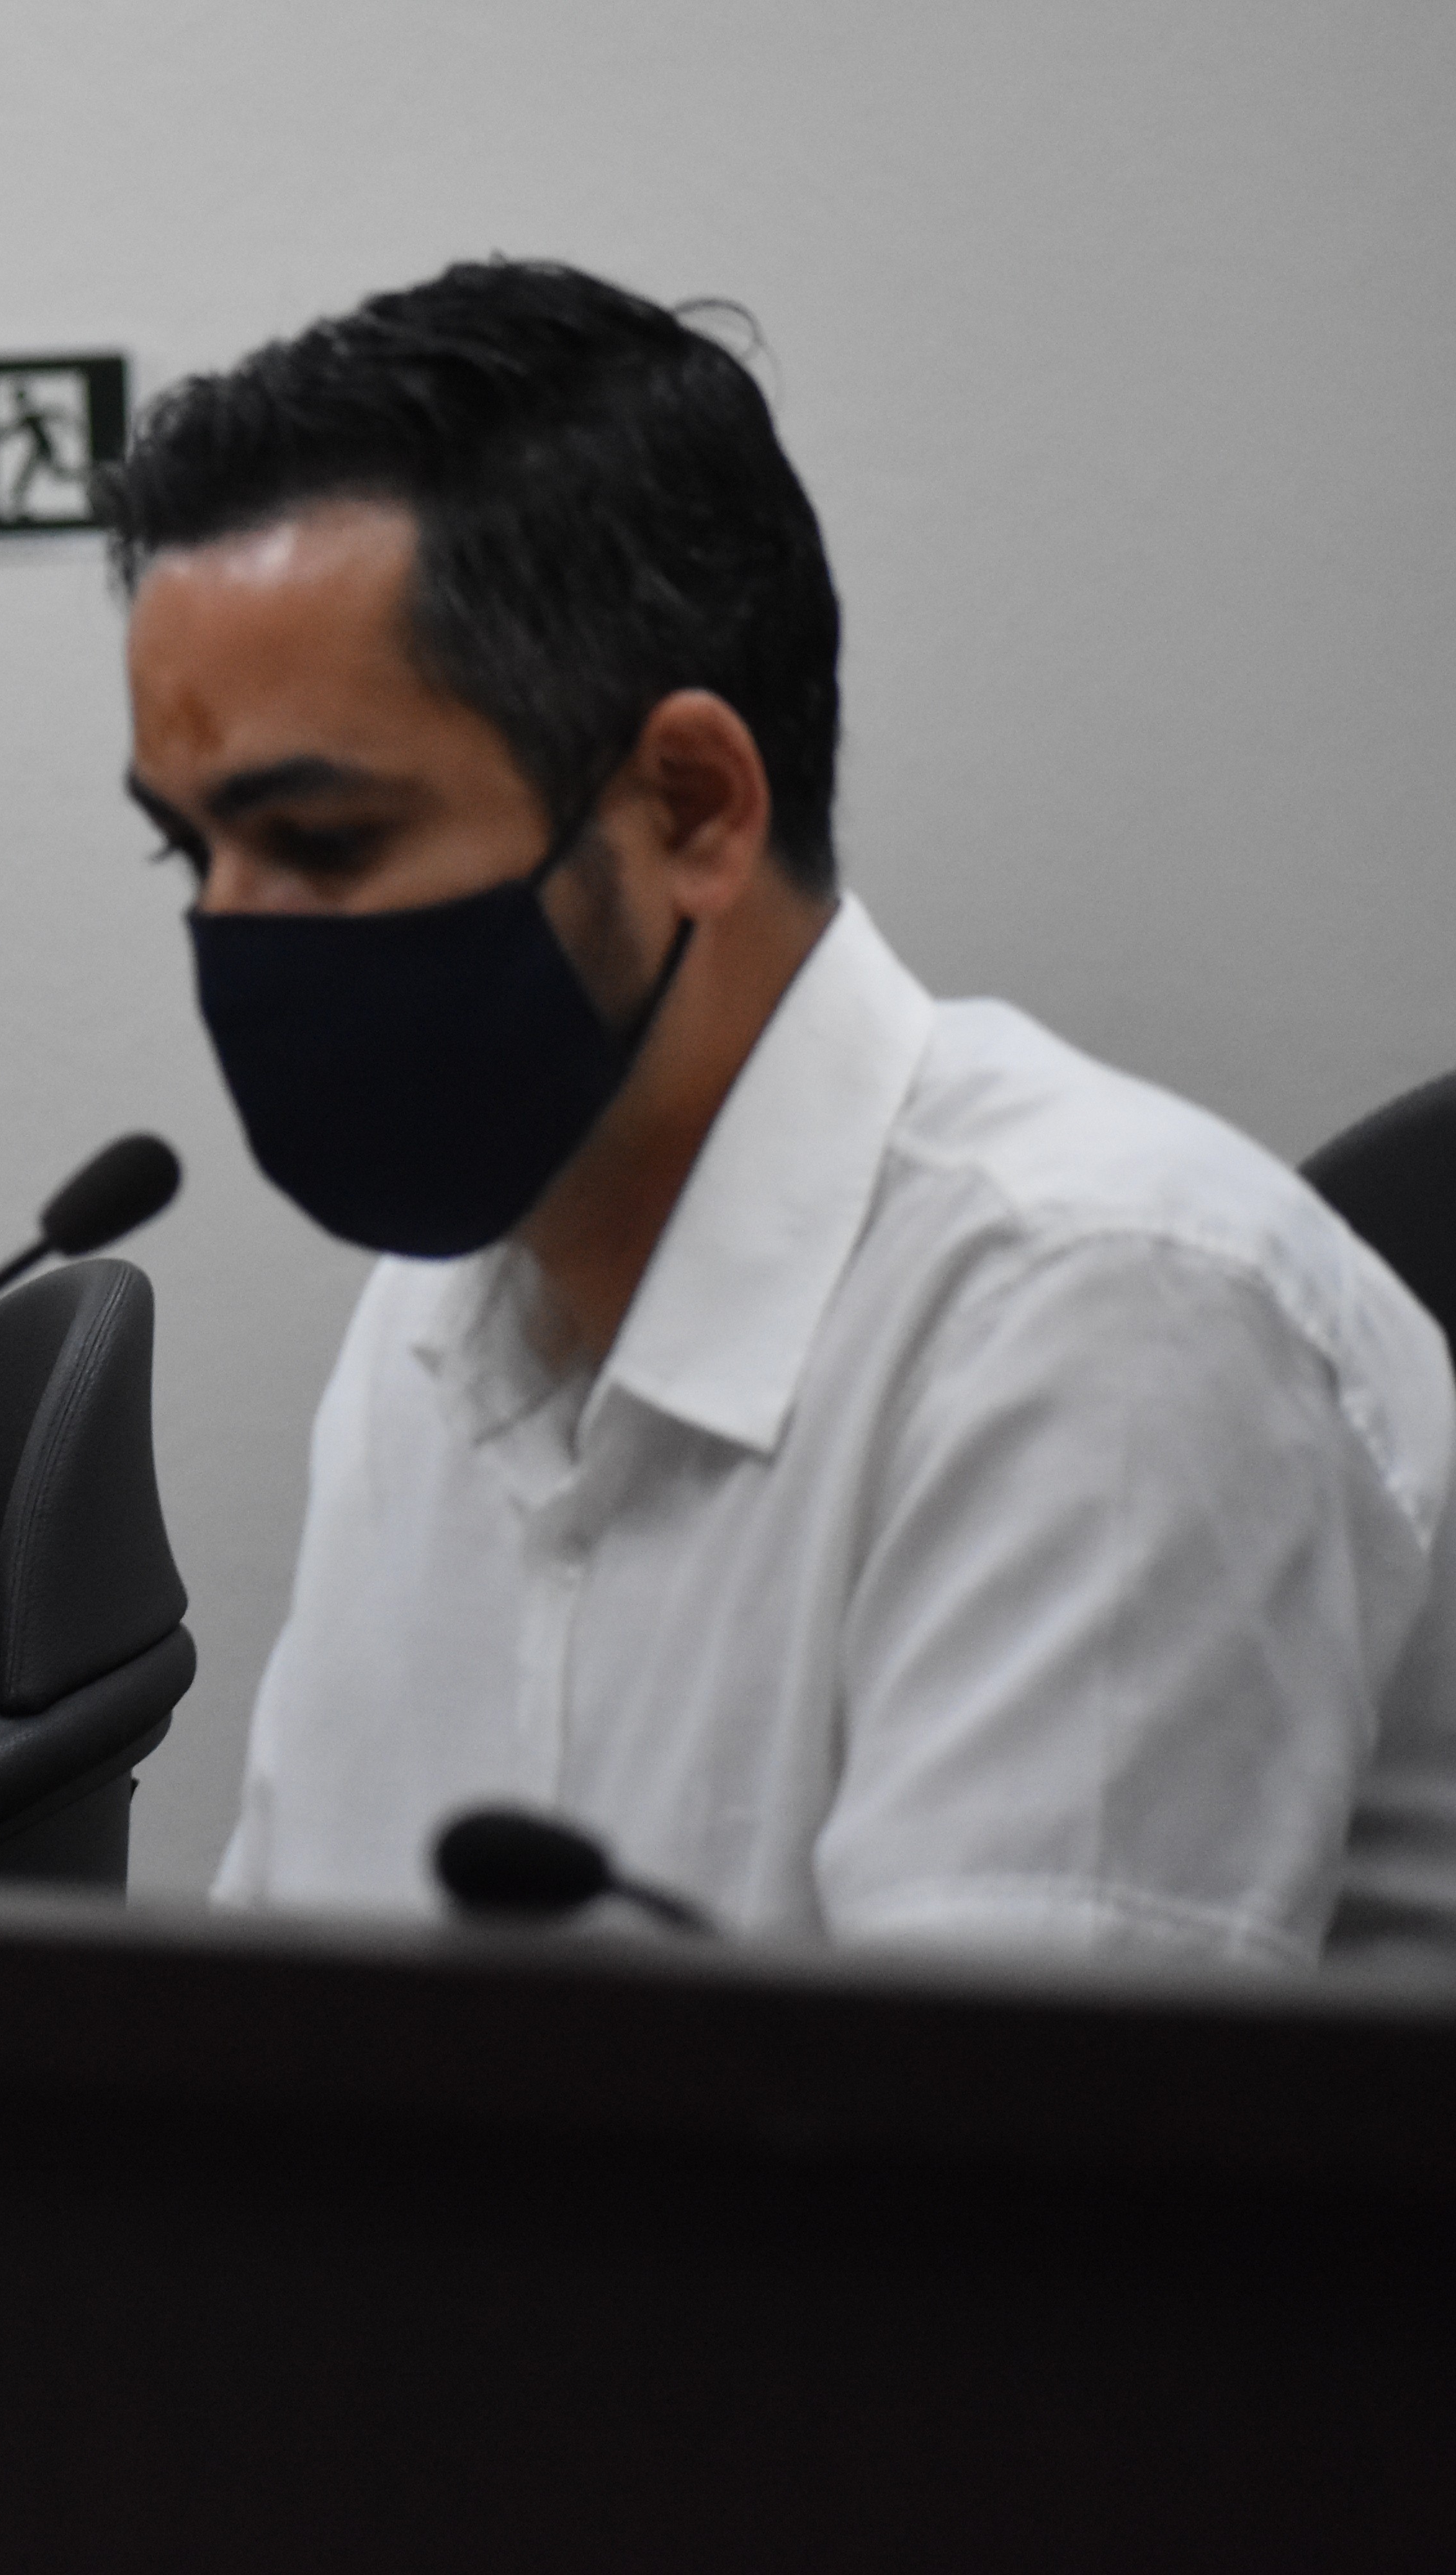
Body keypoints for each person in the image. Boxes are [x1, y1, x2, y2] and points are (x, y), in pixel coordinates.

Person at [104, 259, 1456, 1960]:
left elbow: (983, 2129)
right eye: (191, 850)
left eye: (322, 841)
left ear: (691, 806)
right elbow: (298, 2031)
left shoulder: (1109, 1315)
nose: (232, 931)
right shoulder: (434, 1318)